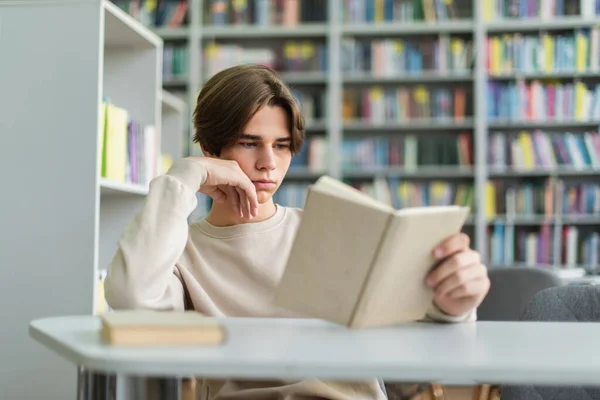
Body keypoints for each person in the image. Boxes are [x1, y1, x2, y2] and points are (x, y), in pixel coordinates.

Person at [104, 64, 491, 400]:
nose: (268, 164)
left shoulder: (326, 229)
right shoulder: (181, 250)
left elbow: (422, 341)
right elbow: (131, 297)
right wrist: (184, 176)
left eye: (283, 146)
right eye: (249, 143)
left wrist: (452, 306)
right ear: (210, 149)